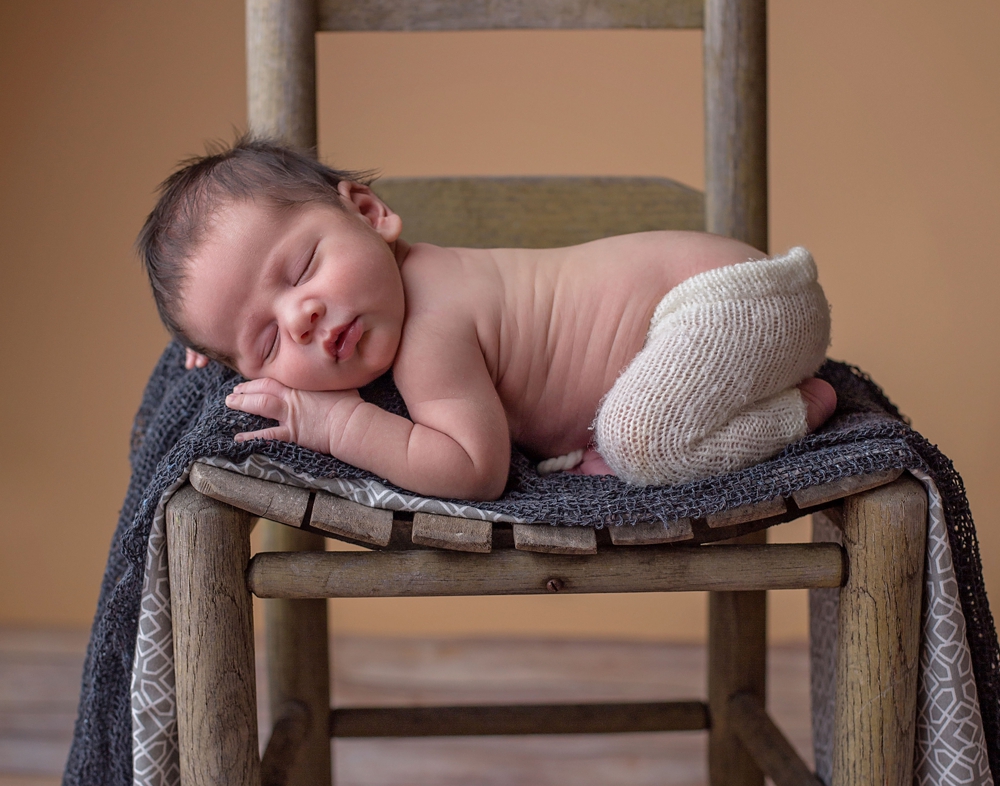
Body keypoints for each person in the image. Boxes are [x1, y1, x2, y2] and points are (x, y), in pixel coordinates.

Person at [138, 139, 836, 501]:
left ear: (369, 214)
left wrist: (333, 423)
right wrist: (215, 345)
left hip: (731, 304)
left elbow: (475, 469)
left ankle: (796, 409)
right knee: (634, 432)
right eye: (263, 339)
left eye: (302, 269)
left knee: (641, 441)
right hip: (736, 308)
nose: (300, 316)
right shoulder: (396, 301)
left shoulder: (431, 319)